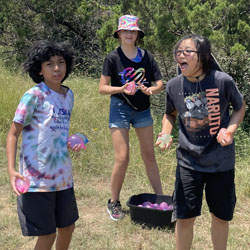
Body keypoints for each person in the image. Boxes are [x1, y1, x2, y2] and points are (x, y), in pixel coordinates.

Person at [156, 34, 246, 250]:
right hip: (188, 162)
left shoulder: (222, 81)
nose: (180, 55)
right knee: (185, 217)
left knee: (220, 216)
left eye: (187, 51)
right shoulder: (174, 85)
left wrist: (230, 130)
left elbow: (240, 107)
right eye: (178, 51)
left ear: (203, 56)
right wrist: (165, 132)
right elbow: (170, 114)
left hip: (221, 162)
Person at [6, 40, 79, 250]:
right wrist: (11, 171)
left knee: (68, 227)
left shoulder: (68, 95)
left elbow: (54, 131)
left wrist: (71, 140)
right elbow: (13, 134)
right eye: (49, 64)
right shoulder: (33, 96)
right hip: (36, 180)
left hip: (63, 178)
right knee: (47, 235)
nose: (56, 68)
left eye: (61, 62)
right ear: (39, 68)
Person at [99, 15, 164, 220]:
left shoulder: (146, 56)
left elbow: (160, 84)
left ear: (137, 34)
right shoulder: (112, 57)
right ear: (118, 34)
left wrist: (150, 90)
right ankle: (114, 202)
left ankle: (162, 200)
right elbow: (102, 88)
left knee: (149, 155)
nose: (129, 34)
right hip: (120, 107)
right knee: (122, 157)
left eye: (132, 31)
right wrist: (122, 88)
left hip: (143, 109)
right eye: (125, 31)